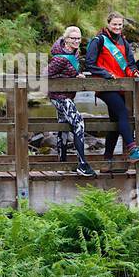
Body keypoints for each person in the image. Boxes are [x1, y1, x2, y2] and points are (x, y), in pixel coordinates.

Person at [84, 12, 139, 163]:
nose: (117, 27)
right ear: (108, 24)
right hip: (106, 86)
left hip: (122, 86)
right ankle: (133, 150)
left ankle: (107, 158)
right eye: (114, 24)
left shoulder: (124, 41)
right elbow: (89, 63)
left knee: (116, 121)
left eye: (120, 25)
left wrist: (134, 73)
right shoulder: (98, 40)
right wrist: (105, 73)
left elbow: (129, 65)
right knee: (123, 112)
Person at [47, 26, 96, 177]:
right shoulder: (60, 57)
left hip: (66, 95)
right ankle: (82, 164)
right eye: (72, 38)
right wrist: (69, 78)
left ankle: (62, 163)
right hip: (59, 96)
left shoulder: (74, 52)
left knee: (63, 125)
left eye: (78, 38)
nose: (76, 41)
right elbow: (45, 75)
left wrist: (77, 74)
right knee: (79, 123)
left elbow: (70, 70)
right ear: (66, 39)